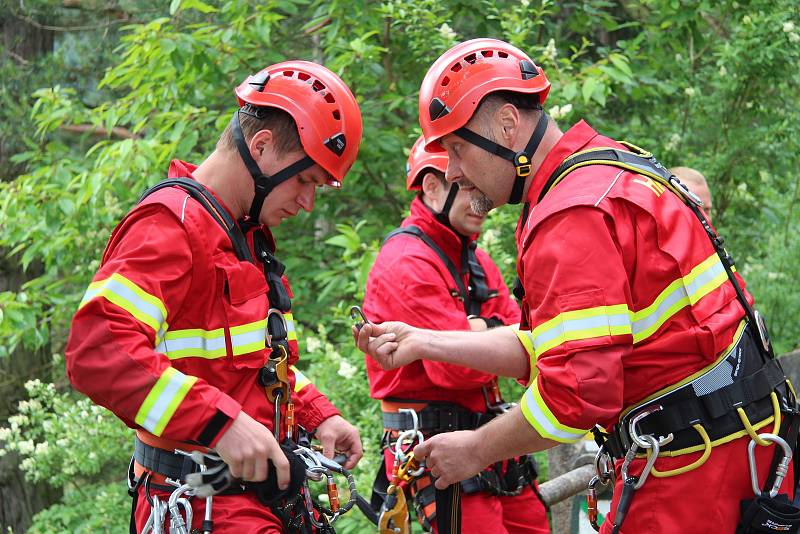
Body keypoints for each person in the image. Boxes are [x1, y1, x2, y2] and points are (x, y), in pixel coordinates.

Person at [356, 38, 796, 534]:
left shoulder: (572, 214)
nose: (453, 170)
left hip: (689, 476)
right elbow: (558, 350)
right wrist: (425, 341)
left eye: (457, 148)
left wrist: (475, 450)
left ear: (506, 124)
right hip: (734, 450)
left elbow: (577, 395)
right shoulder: (610, 168)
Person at [66, 60, 364, 533]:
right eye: (306, 180)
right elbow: (96, 351)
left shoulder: (243, 235)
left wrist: (318, 415)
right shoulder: (169, 227)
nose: (308, 203)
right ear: (261, 147)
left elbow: (253, 362)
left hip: (261, 502)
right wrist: (219, 422)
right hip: (201, 502)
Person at [361, 136, 549, 533]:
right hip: (439, 447)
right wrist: (494, 334)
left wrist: (475, 333)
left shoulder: (475, 260)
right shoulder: (406, 263)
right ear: (431, 187)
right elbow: (457, 372)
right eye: (467, 188)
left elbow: (534, 347)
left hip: (492, 440)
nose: (482, 202)